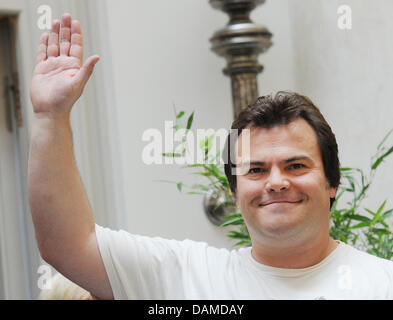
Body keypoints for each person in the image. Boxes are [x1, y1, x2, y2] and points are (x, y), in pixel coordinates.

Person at [28, 13, 393, 300]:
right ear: (235, 193)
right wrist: (50, 117)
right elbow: (68, 244)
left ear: (331, 183)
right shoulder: (185, 275)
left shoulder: (383, 284)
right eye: (255, 170)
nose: (276, 181)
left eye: (295, 165)